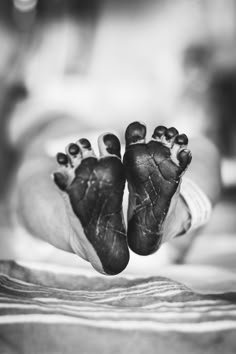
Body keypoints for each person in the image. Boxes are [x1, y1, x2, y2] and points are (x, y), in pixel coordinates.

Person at [5, 0, 221, 275]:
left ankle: (85, 231)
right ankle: (172, 215)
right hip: (155, 244)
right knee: (204, 150)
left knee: (35, 167)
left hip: (62, 206)